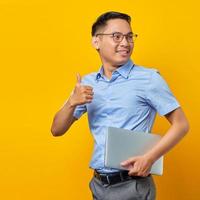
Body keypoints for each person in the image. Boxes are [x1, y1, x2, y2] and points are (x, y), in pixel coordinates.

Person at [51, 11, 189, 200]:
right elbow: (57, 130)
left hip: (133, 186)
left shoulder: (149, 78)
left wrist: (149, 158)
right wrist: (71, 103)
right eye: (117, 36)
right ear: (96, 42)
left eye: (129, 36)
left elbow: (181, 124)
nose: (125, 43)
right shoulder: (87, 83)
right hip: (98, 185)